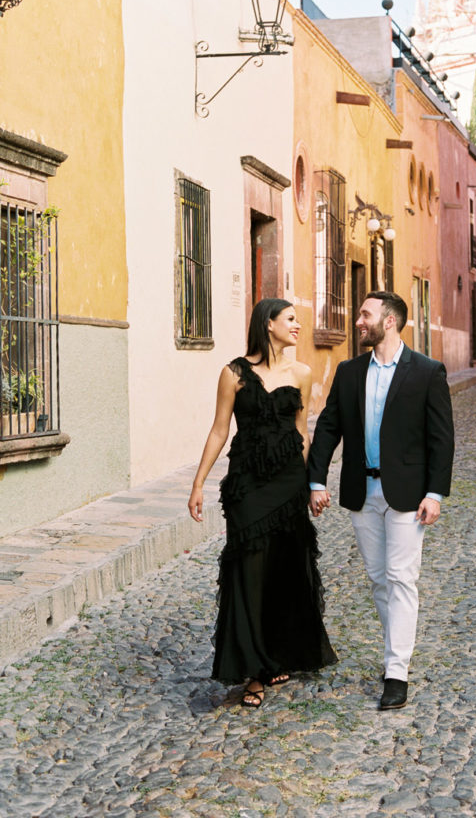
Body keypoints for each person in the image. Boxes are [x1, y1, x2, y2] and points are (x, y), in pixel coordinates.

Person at [308, 291, 454, 710]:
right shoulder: (350, 371)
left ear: (388, 322)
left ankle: (396, 672)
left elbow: (442, 439)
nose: (358, 321)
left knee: (401, 578)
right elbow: (328, 427)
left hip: (408, 496)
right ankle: (397, 652)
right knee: (378, 579)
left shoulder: (427, 372)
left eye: (365, 315)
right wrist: (316, 481)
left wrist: (435, 493)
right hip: (362, 492)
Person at [188, 298, 337, 708]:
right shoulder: (234, 373)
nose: (297, 325)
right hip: (247, 485)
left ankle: (276, 656)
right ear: (267, 324)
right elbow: (219, 430)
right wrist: (198, 482)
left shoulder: (302, 374)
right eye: (290, 319)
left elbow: (301, 432)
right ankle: (252, 670)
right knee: (248, 572)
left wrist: (311, 485)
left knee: (283, 571)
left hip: (289, 484)